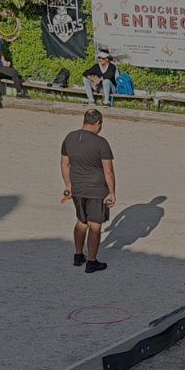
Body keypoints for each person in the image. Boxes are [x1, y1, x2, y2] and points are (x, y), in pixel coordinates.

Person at [61, 109, 115, 274]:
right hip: (96, 189)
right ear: (98, 123)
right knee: (95, 225)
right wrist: (111, 192)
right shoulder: (101, 142)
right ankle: (92, 262)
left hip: (77, 188)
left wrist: (68, 185)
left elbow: (64, 164)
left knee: (81, 221)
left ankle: (78, 256)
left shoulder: (69, 137)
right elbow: (108, 171)